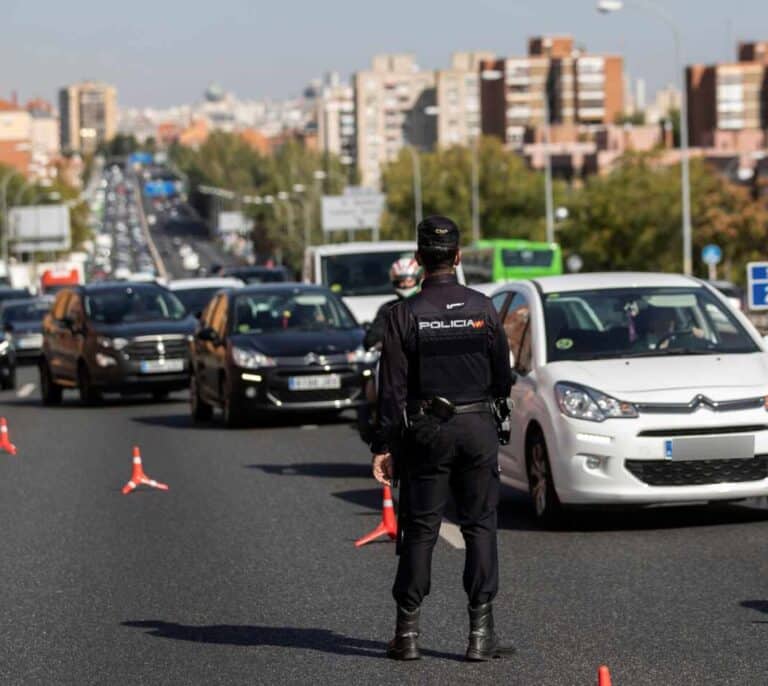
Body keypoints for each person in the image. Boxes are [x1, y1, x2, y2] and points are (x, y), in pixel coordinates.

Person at [370, 215, 515, 662]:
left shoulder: (402, 316)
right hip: (477, 429)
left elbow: (391, 389)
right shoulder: (484, 307)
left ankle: (407, 635)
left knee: (420, 530)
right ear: (456, 257)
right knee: (480, 526)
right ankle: (478, 636)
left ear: (418, 260)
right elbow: (503, 378)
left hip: (427, 433)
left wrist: (384, 446)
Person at [363, 257, 424, 350]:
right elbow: (373, 338)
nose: (404, 285)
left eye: (408, 281)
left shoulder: (428, 304)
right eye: (400, 281)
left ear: (418, 279)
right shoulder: (388, 308)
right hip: (398, 359)